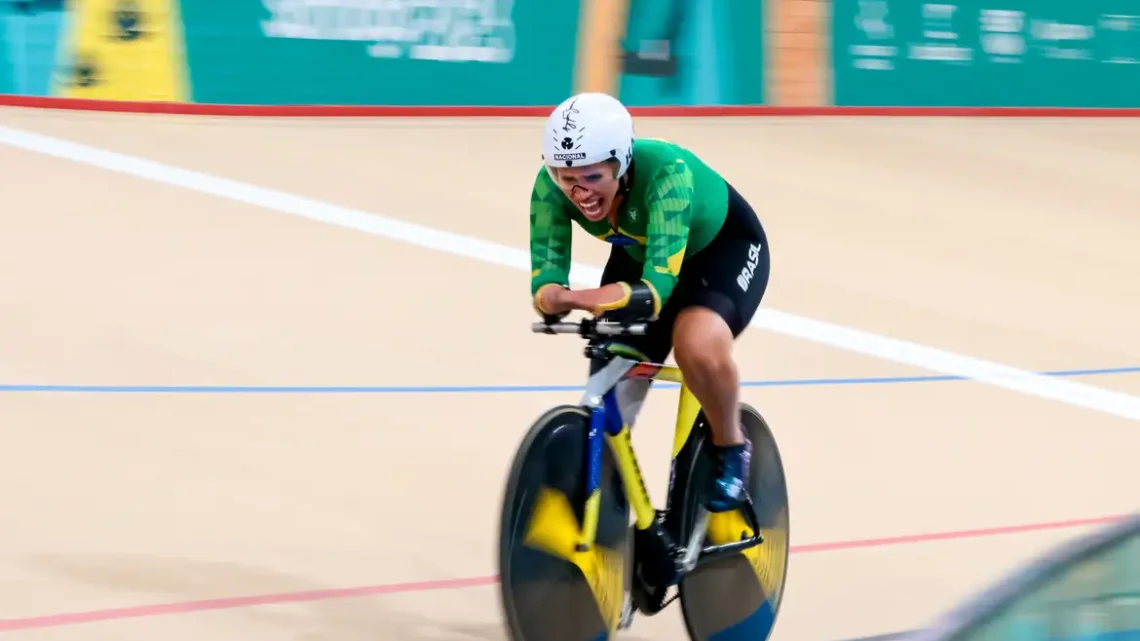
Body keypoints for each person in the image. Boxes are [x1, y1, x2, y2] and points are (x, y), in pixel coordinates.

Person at [529, 92, 771, 513]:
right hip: (641, 254)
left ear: (620, 163)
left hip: (721, 251)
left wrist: (576, 298)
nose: (578, 191)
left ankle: (731, 446)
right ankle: (614, 509)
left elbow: (657, 287)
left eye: (591, 176)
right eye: (565, 177)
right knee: (611, 387)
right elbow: (547, 274)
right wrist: (551, 294)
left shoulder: (667, 174)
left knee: (695, 344)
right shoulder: (550, 188)